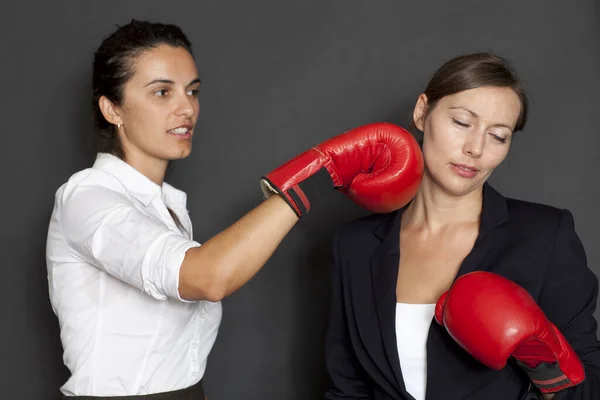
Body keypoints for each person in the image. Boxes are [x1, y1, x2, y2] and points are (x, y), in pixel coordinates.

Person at [45, 19, 424, 399]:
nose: (186, 108)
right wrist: (317, 176)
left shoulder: (166, 207)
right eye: (162, 92)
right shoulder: (87, 199)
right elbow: (208, 277)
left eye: (192, 91)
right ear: (113, 109)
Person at [323, 52, 600, 400]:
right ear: (422, 112)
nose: (475, 148)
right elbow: (347, 387)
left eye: (498, 136)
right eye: (462, 122)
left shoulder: (544, 236)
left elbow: (590, 387)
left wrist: (543, 364)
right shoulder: (355, 245)